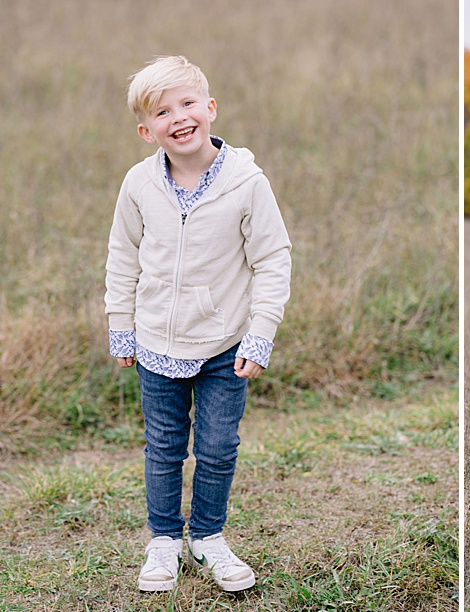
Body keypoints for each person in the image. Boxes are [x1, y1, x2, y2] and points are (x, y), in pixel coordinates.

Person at [104, 56, 291, 592]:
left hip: (224, 346)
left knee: (215, 446)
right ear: (147, 131)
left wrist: (261, 333)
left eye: (187, 104)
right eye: (163, 112)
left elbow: (272, 259)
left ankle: (207, 537)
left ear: (210, 109)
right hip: (156, 342)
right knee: (163, 445)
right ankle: (164, 540)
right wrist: (122, 323)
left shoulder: (246, 183)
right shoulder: (139, 185)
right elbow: (123, 256)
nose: (178, 117)